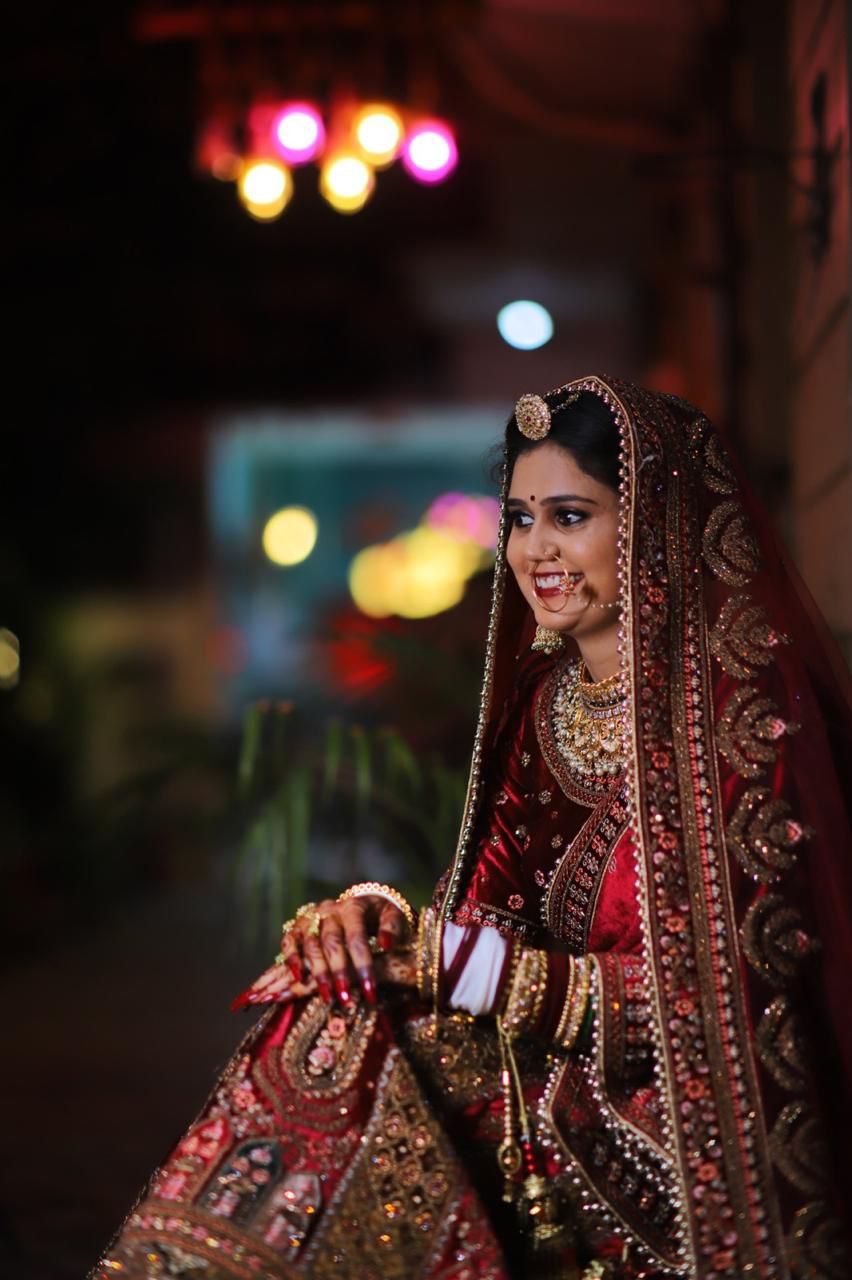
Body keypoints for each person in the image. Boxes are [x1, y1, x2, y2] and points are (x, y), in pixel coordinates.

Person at [92, 376, 852, 1280]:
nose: (537, 550)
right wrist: (376, 924)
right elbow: (492, 913)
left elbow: (719, 1000)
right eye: (521, 518)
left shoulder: (738, 720)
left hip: (682, 1127)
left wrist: (466, 971)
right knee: (332, 1013)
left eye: (570, 515)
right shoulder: (545, 702)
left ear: (658, 522)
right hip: (543, 1069)